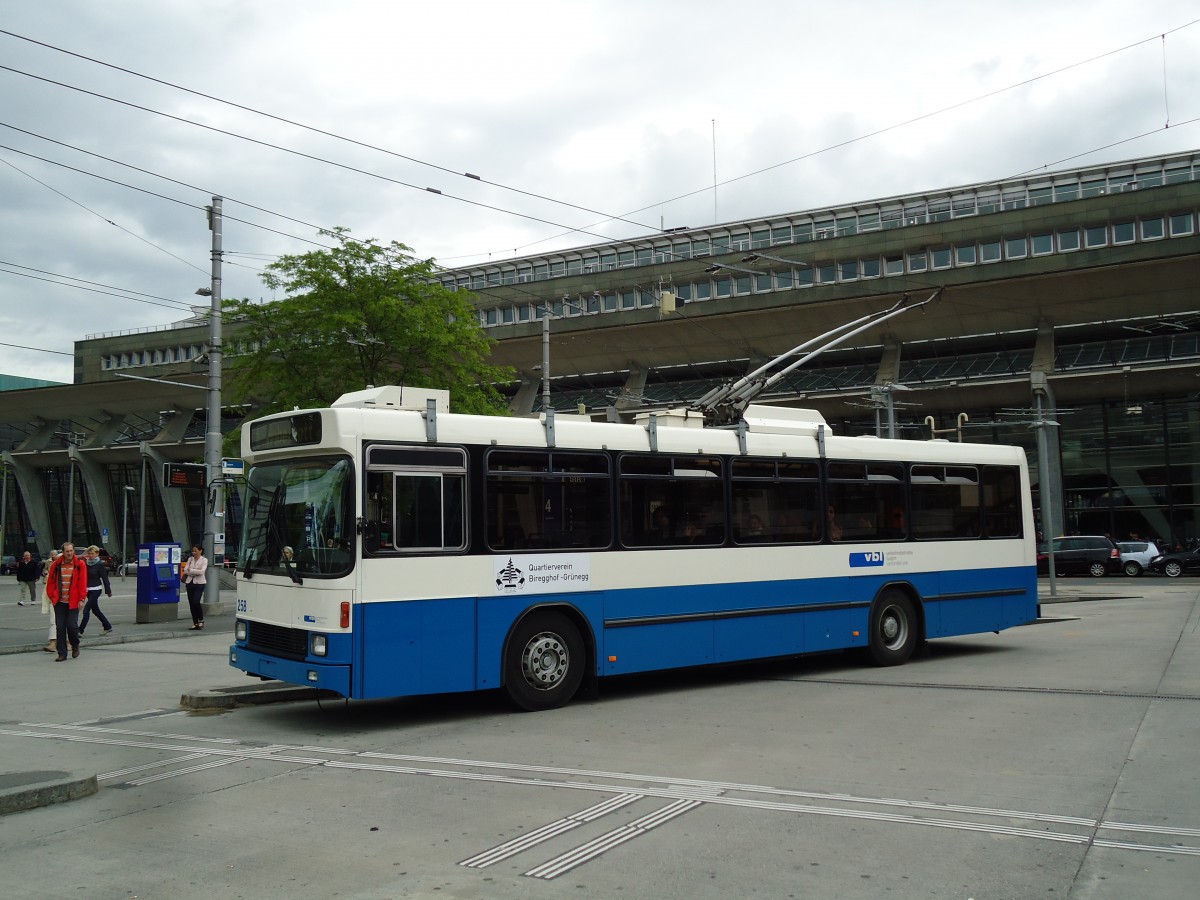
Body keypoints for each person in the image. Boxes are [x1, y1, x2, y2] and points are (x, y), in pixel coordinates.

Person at [46, 542, 88, 661]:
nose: (69, 553)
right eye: (67, 551)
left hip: (73, 601)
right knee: (60, 627)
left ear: (74, 551)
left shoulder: (80, 565)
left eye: (71, 551)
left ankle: (75, 645)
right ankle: (62, 653)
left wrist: (81, 599)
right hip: (59, 602)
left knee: (72, 626)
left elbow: (82, 583)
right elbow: (51, 582)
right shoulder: (56, 565)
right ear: (63, 552)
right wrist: (52, 596)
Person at [80, 545, 114, 636]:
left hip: (96, 589)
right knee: (96, 610)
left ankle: (80, 631)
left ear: (97, 554)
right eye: (89, 554)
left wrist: (108, 591)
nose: (90, 555)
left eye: (92, 554)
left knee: (86, 609)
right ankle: (107, 626)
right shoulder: (85, 563)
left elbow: (105, 578)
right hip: (88, 590)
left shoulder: (99, 564)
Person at [182, 544, 208, 630]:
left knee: (196, 601)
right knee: (191, 603)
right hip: (190, 582)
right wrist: (192, 571)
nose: (194, 552)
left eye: (196, 551)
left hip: (199, 583)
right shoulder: (190, 559)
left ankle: (201, 619)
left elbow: (201, 572)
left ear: (200, 551)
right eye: (193, 551)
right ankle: (195, 622)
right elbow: (185, 570)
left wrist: (191, 570)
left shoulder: (204, 560)